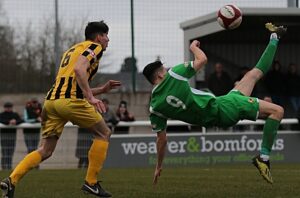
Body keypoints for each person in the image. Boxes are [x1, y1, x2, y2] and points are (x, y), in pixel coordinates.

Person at [142, 24, 286, 185]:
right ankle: (264, 158)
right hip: (225, 108)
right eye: (165, 69)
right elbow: (202, 59)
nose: (168, 70)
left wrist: (158, 166)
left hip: (221, 109)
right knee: (278, 111)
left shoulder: (154, 107)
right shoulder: (174, 75)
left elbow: (161, 140)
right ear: (161, 75)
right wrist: (193, 47)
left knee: (253, 75)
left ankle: (274, 38)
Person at [0, 21, 121, 198]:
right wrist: (90, 97)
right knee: (104, 133)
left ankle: (11, 180)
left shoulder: (72, 50)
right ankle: (91, 183)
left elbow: (71, 82)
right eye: (106, 36)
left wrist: (101, 90)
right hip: (70, 102)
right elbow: (79, 70)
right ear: (98, 37)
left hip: (50, 103)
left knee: (45, 150)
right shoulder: (95, 47)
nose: (108, 40)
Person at [0, 102, 23, 170]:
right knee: (5, 151)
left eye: (9, 107)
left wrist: (15, 121)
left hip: (12, 136)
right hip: (4, 136)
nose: (8, 108)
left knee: (10, 151)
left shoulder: (15, 114)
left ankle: (9, 166)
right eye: (7, 107)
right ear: (4, 108)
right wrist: (9, 122)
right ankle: (4, 166)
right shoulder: (2, 114)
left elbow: (21, 120)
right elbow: (1, 120)